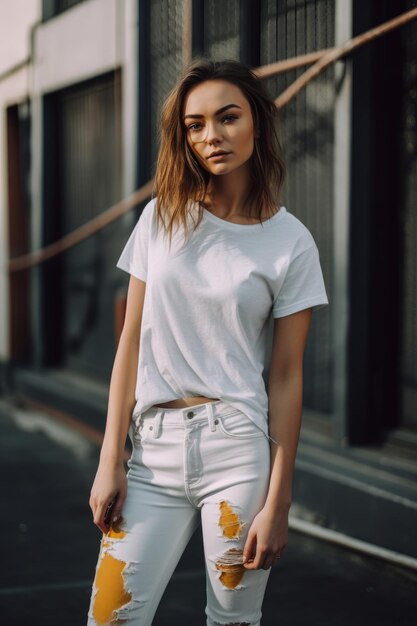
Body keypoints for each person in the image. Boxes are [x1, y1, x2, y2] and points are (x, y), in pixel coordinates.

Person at [87, 58, 329, 626]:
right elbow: (131, 342)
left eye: (227, 118)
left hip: (237, 451)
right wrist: (110, 458)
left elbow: (287, 375)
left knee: (233, 622)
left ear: (257, 124)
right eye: (195, 125)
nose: (211, 136)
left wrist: (279, 501)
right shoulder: (161, 218)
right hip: (152, 451)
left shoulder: (291, 242)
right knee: (110, 617)